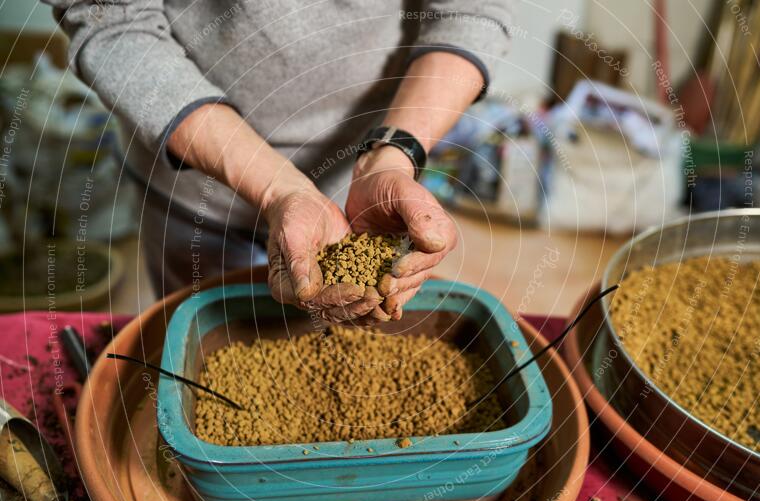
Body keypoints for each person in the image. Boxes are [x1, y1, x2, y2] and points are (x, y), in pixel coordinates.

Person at [46, 0, 512, 321]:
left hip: (359, 177)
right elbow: (111, 19)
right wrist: (278, 188)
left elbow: (471, 11)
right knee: (209, 345)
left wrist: (390, 157)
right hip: (192, 182)